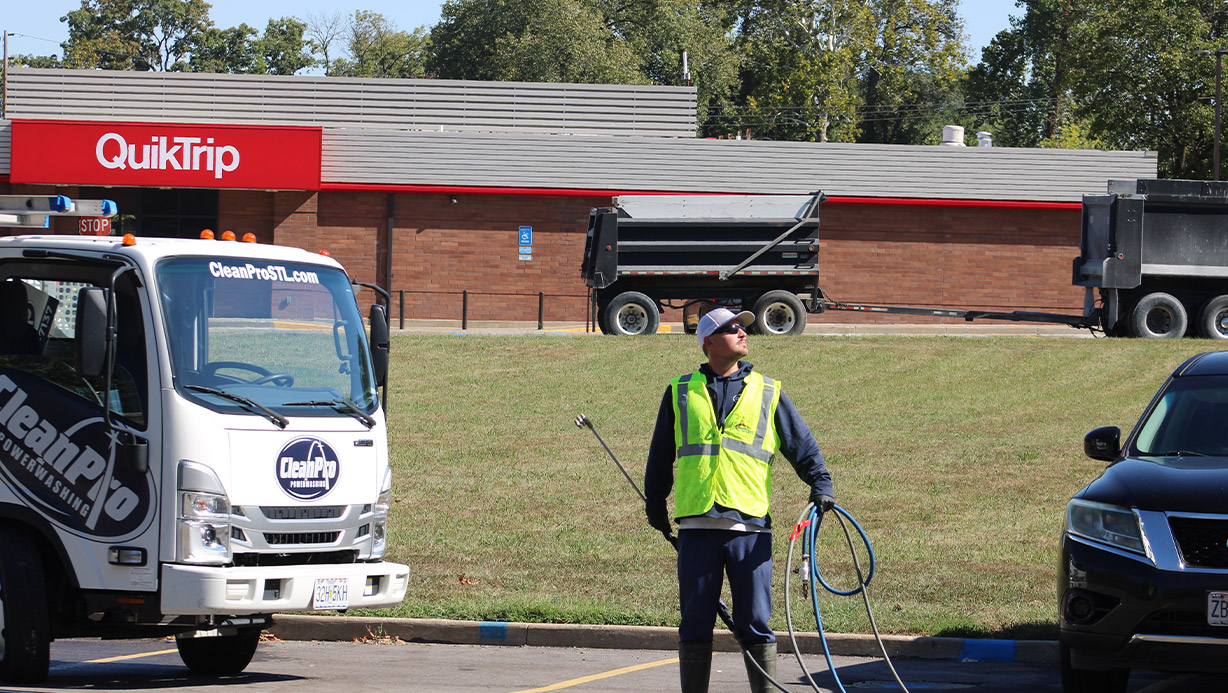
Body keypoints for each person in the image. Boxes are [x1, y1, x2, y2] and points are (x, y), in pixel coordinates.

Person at [644, 307, 834, 693]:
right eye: (733, 328)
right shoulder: (680, 391)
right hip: (697, 527)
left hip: (750, 528)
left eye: (743, 327)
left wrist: (821, 485)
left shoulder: (768, 391)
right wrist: (655, 504)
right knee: (695, 625)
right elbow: (660, 453)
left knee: (756, 623)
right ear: (709, 342)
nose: (743, 332)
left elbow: (802, 446)